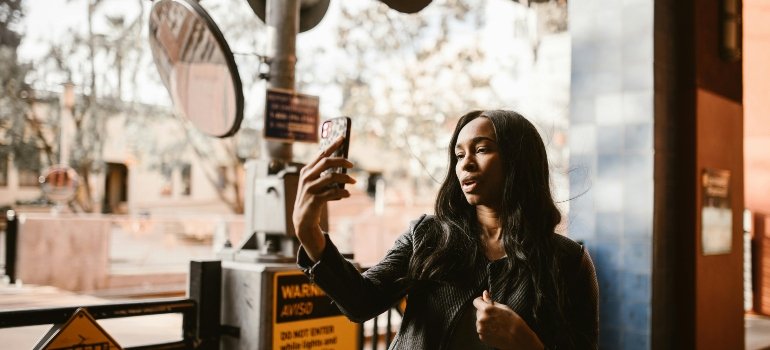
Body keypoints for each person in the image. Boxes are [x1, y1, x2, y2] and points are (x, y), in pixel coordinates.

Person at [293, 110, 599, 349]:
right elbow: (360, 302)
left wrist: (526, 343)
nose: (466, 164)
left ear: (519, 161)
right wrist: (309, 231)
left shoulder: (568, 261)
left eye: (481, 149)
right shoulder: (427, 236)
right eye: (459, 155)